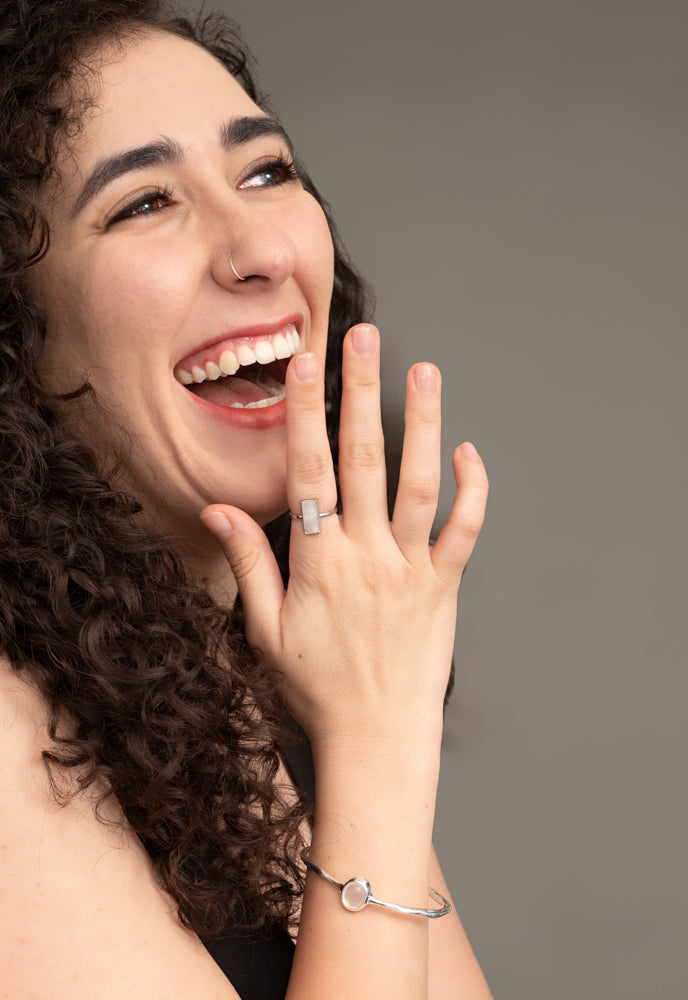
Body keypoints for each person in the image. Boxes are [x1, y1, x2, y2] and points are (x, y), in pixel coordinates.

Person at [0, 1, 492, 996]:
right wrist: (378, 737)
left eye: (264, 172)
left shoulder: (260, 678)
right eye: (143, 202)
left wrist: (367, 724)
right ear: (19, 338)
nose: (257, 249)